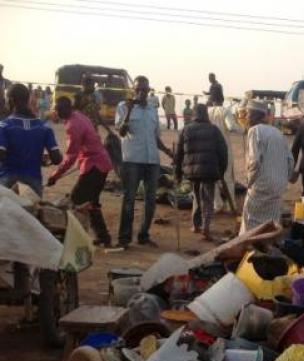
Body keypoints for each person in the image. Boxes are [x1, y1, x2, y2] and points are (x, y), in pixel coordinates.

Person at [115, 75, 174, 248]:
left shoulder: (152, 109)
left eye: (144, 89)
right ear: (133, 90)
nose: (141, 92)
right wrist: (129, 112)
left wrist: (167, 151)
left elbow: (156, 137)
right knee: (130, 199)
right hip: (132, 160)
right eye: (138, 89)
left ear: (148, 91)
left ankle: (144, 235)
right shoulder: (123, 107)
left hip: (152, 161)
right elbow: (121, 132)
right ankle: (124, 238)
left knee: (150, 200)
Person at [47, 96, 113, 246]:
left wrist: (55, 176)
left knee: (75, 201)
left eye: (57, 109)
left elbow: (70, 156)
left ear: (65, 109)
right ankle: (104, 237)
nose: (56, 112)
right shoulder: (79, 116)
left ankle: (72, 240)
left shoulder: (72, 125)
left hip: (94, 166)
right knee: (92, 203)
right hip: (100, 163)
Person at [174, 104, 228, 241]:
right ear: (206, 115)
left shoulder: (185, 129)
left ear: (194, 114)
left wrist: (177, 174)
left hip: (192, 171)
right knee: (208, 200)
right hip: (210, 171)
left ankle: (196, 225)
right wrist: (221, 171)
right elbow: (223, 152)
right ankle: (206, 227)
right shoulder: (214, 130)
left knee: (196, 198)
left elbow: (178, 154)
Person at [239, 105, 294, 234]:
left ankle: (249, 246)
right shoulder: (277, 132)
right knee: (271, 223)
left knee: (250, 221)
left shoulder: (254, 131)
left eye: (247, 115)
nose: (246, 118)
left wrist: (249, 181)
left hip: (262, 184)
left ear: (252, 117)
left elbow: (255, 161)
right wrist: (285, 179)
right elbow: (290, 161)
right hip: (279, 185)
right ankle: (268, 247)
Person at [0, 84, 61, 197]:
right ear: (28, 100)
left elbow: (1, 155)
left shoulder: (3, 126)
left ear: (11, 100)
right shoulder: (44, 127)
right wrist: (38, 158)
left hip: (7, 182)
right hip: (34, 185)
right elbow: (57, 159)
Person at [208, 102, 241, 213]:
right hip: (224, 148)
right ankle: (230, 205)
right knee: (228, 178)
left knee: (213, 178)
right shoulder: (225, 111)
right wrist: (242, 129)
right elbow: (231, 126)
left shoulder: (207, 111)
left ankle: (217, 204)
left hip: (210, 149)